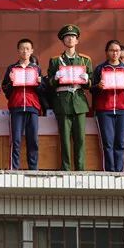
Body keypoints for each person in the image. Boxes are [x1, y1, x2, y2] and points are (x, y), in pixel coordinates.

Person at [45, 25, 93, 171]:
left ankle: (80, 169)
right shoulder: (55, 61)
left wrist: (87, 80)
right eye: (67, 37)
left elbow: (91, 83)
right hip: (63, 101)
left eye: (73, 36)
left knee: (80, 138)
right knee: (64, 138)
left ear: (77, 40)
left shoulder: (85, 60)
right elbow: (49, 84)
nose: (70, 39)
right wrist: (55, 78)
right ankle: (65, 168)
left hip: (79, 101)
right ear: (63, 40)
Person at [91, 39, 124, 172]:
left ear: (120, 52)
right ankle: (109, 171)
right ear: (106, 52)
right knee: (107, 142)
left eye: (117, 50)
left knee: (120, 143)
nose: (115, 53)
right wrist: (98, 86)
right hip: (104, 109)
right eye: (111, 50)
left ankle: (119, 171)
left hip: (122, 109)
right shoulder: (100, 68)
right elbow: (92, 90)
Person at [1, 38, 43, 170]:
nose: (25, 51)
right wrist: (11, 82)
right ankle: (14, 168)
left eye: (27, 49)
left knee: (33, 140)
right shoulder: (12, 68)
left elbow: (42, 91)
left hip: (32, 107)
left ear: (32, 51)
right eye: (22, 49)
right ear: (18, 51)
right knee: (16, 140)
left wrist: (40, 83)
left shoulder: (36, 69)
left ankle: (33, 169)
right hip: (17, 107)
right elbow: (5, 89)